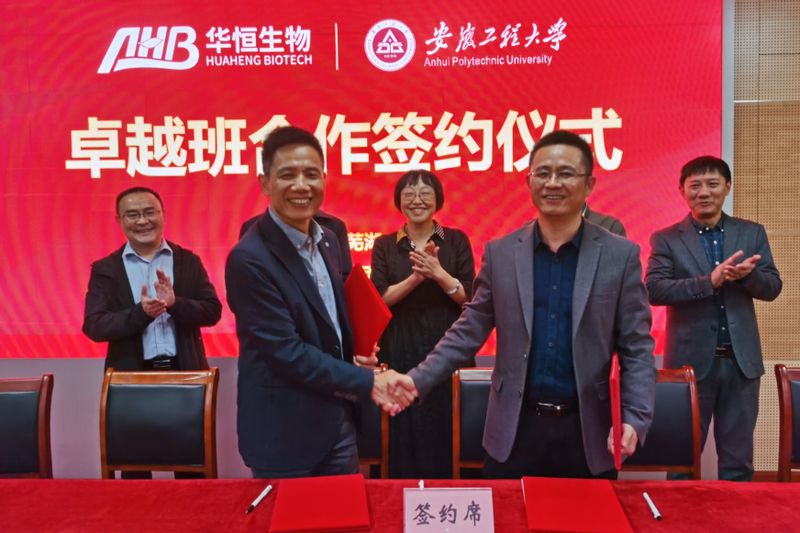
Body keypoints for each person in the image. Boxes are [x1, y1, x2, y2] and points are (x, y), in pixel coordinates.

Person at [382, 130, 657, 479]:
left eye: (566, 173)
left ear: (589, 184)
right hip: (513, 430)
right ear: (529, 182)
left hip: (589, 431)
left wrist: (635, 415)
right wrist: (417, 379)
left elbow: (637, 347)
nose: (552, 183)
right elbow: (468, 329)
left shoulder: (621, 255)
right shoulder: (501, 253)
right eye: (543, 173)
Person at [225, 125, 413, 478]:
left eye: (311, 174)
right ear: (265, 183)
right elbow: (285, 352)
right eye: (288, 175)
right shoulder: (249, 258)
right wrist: (367, 381)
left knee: (344, 508)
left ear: (324, 179)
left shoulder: (327, 239)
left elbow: (329, 319)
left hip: (338, 420)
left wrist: (353, 351)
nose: (301, 186)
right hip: (284, 431)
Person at [646, 155, 782, 481]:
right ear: (682, 190)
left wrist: (747, 277)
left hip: (741, 363)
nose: (704, 192)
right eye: (695, 185)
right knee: (682, 461)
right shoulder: (666, 238)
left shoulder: (751, 233)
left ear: (727, 187)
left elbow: (772, 287)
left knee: (738, 462)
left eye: (712, 184)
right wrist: (710, 281)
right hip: (689, 365)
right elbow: (654, 289)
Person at [371, 170, 475, 478]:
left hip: (448, 348)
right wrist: (416, 278)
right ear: (399, 201)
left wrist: (437, 273)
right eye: (409, 194)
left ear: (437, 200)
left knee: (448, 427)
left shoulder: (455, 240)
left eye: (425, 193)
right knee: (400, 429)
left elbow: (470, 297)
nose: (417, 200)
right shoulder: (385, 245)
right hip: (398, 348)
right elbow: (380, 298)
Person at [83, 186, 222, 372]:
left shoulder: (188, 261)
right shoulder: (107, 269)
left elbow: (212, 311)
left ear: (163, 214)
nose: (142, 221)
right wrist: (141, 313)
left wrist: (175, 304)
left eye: (149, 212)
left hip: (187, 373)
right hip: (130, 377)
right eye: (132, 215)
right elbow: (94, 326)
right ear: (119, 220)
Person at [240, 209, 352, 281]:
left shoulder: (332, 231)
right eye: (288, 179)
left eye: (311, 178)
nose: (300, 185)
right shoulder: (252, 228)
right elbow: (245, 286)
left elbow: (344, 280)